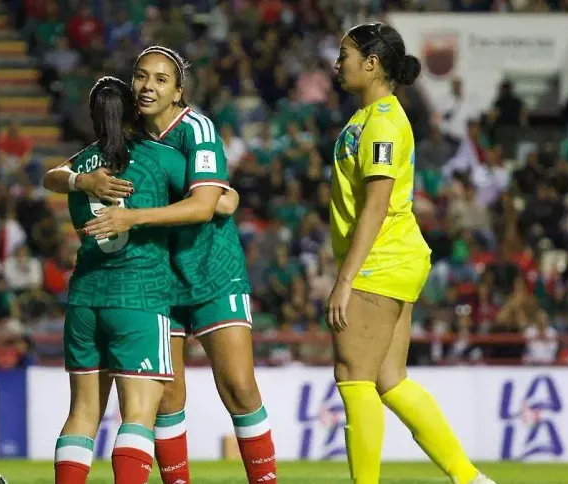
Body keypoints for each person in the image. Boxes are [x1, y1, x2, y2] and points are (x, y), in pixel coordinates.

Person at [51, 46, 277, 484]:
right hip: (157, 278)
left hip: (211, 269)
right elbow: (58, 173)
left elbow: (209, 205)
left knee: (239, 386)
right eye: (141, 76)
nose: (148, 86)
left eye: (160, 79)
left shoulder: (196, 128)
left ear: (178, 91)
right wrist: (81, 180)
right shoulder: (128, 137)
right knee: (167, 398)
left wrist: (136, 215)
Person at [328, 23, 495, 484]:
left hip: (379, 260)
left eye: (344, 55)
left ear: (371, 64)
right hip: (396, 257)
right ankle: (469, 478)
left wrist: (345, 279)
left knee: (353, 377)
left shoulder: (381, 121)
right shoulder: (370, 116)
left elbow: (377, 204)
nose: (337, 64)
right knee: (390, 380)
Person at [45, 76, 187, 484]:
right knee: (138, 414)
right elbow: (209, 195)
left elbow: (51, 176)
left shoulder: (80, 166)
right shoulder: (159, 157)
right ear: (134, 110)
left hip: (85, 297)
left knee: (82, 413)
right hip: (139, 294)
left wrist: (81, 181)